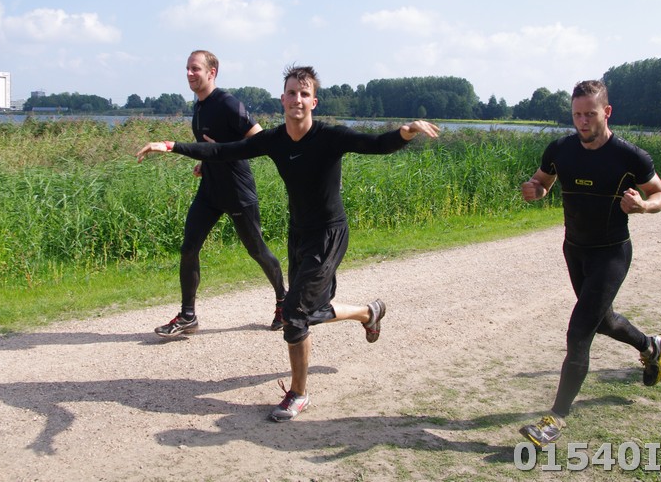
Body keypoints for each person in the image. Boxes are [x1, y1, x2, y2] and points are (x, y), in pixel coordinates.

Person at [137, 65, 440, 421]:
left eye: (304, 93)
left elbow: (374, 144)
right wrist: (170, 145)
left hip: (328, 235)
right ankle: (368, 312)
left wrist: (405, 132)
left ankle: (298, 394)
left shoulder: (329, 136)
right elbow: (224, 151)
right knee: (310, 311)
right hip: (299, 234)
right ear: (282, 99)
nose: (297, 99)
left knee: (294, 314)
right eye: (292, 93)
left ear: (314, 102)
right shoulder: (275, 140)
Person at [518, 79, 661, 447]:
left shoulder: (630, 156)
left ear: (607, 112)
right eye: (576, 115)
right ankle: (650, 346)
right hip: (575, 249)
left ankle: (555, 419)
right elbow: (543, 182)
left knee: (579, 331)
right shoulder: (561, 149)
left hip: (611, 253)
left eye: (589, 114)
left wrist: (644, 205)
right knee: (603, 321)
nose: (582, 121)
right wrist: (535, 190)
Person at [153, 50, 287, 337]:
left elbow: (262, 142)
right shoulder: (200, 106)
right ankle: (188, 316)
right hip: (210, 190)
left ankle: (283, 301)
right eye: (187, 68)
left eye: (195, 69)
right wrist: (206, 161)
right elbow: (210, 144)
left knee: (256, 250)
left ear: (211, 72)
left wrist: (223, 152)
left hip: (237, 190)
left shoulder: (228, 104)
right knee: (189, 248)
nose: (189, 74)